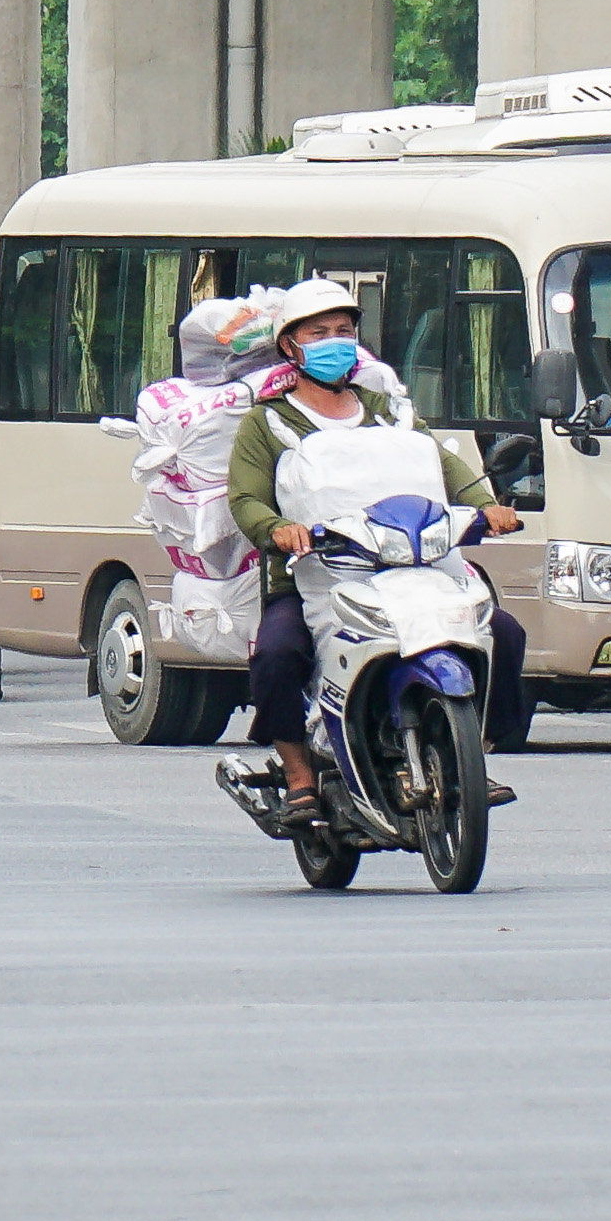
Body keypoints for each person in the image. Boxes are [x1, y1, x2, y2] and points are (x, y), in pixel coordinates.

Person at [227, 279, 530, 826]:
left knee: (502, 632)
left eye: (344, 331)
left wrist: (487, 507)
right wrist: (277, 529)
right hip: (315, 577)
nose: (334, 341)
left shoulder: (390, 411)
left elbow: (449, 469)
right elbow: (245, 497)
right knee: (276, 654)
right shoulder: (267, 422)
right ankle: (299, 777)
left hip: (417, 567)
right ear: (290, 346)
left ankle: (471, 751)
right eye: (318, 333)